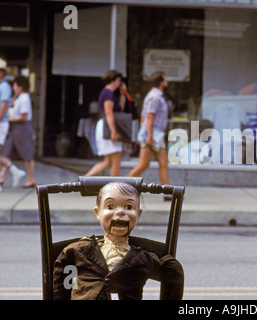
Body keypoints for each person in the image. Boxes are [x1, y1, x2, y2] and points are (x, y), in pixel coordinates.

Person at [52, 181, 184, 300]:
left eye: (129, 207)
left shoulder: (142, 259)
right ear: (97, 212)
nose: (120, 212)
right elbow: (64, 284)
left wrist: (171, 263)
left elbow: (170, 272)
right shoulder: (78, 251)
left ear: (138, 214)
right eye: (110, 207)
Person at [129, 71, 170, 199]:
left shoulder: (156, 96)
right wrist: (149, 136)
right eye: (165, 79)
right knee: (143, 164)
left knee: (163, 162)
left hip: (157, 135)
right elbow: (149, 116)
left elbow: (144, 117)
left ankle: (167, 192)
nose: (167, 81)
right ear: (161, 82)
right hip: (153, 135)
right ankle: (122, 186)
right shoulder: (155, 97)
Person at [85, 70, 124, 177]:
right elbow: (108, 113)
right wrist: (113, 132)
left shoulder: (107, 93)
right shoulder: (108, 93)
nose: (120, 83)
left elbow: (119, 109)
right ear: (114, 80)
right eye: (119, 80)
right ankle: (115, 188)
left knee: (108, 161)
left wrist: (122, 94)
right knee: (116, 160)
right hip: (108, 126)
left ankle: (84, 179)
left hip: (105, 125)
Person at [0, 76, 36, 188]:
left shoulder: (24, 98)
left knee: (27, 155)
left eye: (15, 86)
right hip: (15, 129)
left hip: (22, 128)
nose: (14, 88)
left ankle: (31, 178)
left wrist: (10, 119)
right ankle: (2, 177)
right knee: (8, 153)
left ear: (20, 87)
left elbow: (24, 116)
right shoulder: (18, 98)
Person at [0, 58, 26, 192]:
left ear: (1, 72)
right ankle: (13, 171)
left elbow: (3, 107)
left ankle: (13, 171)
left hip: (0, 123)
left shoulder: (4, 87)